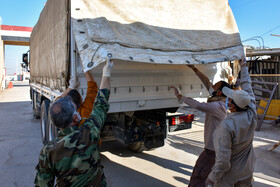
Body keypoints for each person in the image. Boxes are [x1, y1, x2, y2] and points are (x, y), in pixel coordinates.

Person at [34, 59, 114, 186]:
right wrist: (106, 72)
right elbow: (101, 102)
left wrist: (70, 87)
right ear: (76, 118)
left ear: (54, 122)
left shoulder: (48, 151)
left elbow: (42, 184)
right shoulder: (90, 132)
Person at [171, 64, 231, 187]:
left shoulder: (218, 106)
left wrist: (180, 96)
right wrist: (194, 69)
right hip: (213, 149)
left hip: (213, 150)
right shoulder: (217, 98)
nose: (212, 86)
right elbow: (206, 82)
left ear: (219, 92)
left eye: (215, 86)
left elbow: (198, 105)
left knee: (199, 174)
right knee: (205, 175)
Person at [206, 57, 257, 187]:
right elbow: (248, 85)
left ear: (232, 106)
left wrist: (212, 178)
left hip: (230, 179)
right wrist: (243, 66)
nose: (227, 99)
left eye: (230, 98)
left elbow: (223, 162)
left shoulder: (226, 126)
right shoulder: (251, 111)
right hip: (247, 172)